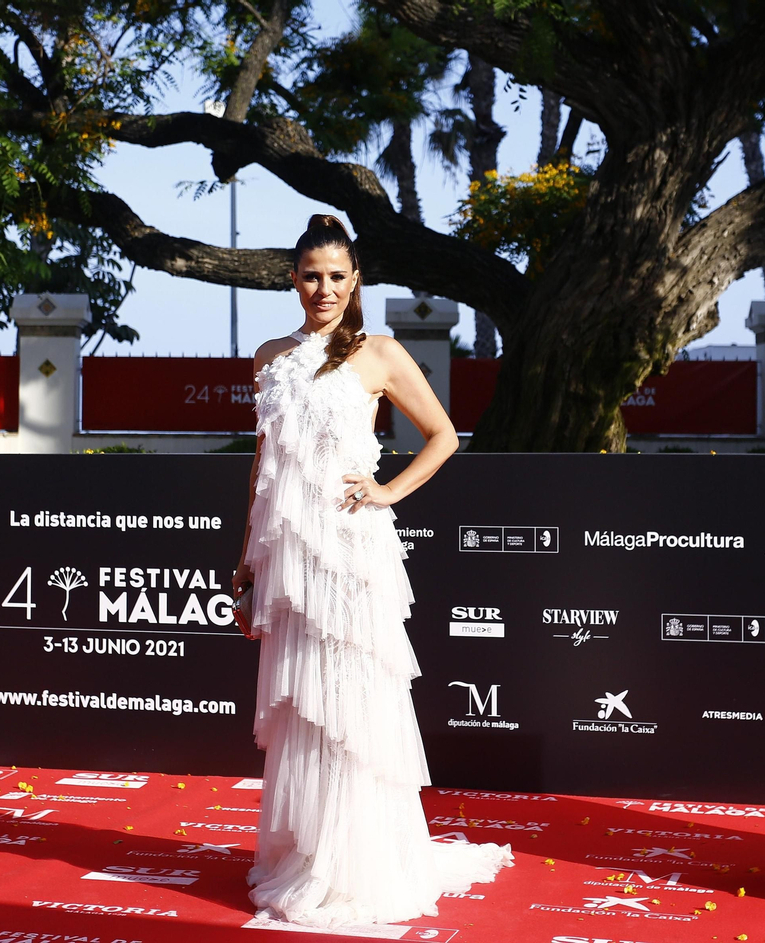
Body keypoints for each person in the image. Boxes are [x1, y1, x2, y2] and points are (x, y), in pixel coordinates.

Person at [232, 215, 513, 927]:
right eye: (310, 276)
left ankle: (360, 863)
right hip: (290, 560)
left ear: (355, 280)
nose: (323, 288)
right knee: (306, 705)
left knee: (350, 705)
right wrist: (247, 559)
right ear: (293, 280)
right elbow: (265, 467)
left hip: (351, 554)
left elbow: (444, 435)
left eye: (336, 276)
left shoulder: (380, 353)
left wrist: (388, 490)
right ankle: (311, 852)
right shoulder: (269, 357)